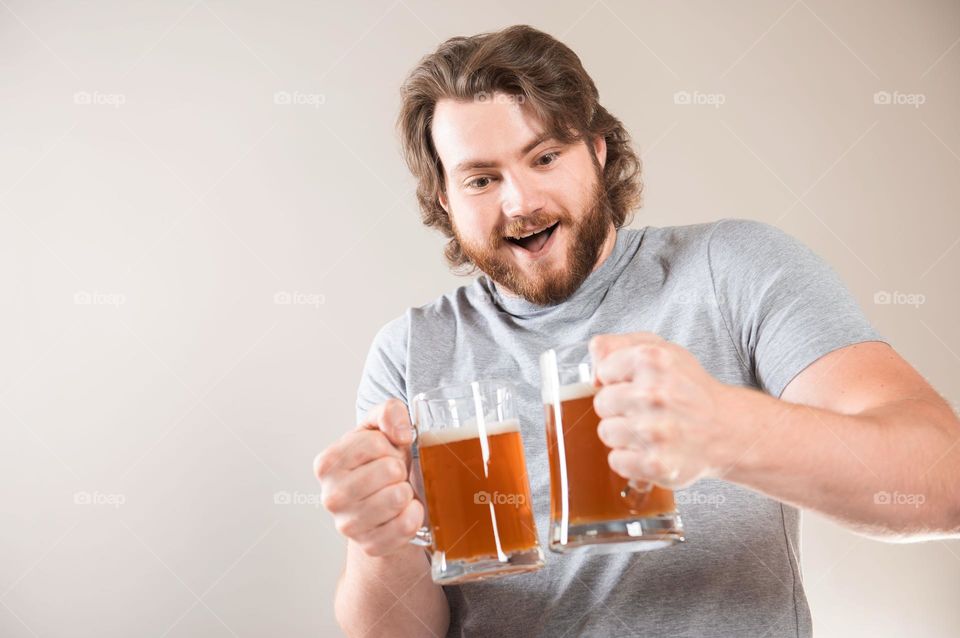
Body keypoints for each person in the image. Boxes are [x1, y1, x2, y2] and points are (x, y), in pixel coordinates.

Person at [312, 24, 960, 638]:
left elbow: (944, 481)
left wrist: (727, 432)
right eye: (482, 179)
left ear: (597, 152)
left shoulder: (732, 270)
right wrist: (380, 543)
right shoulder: (411, 350)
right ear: (445, 200)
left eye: (545, 156)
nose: (520, 202)